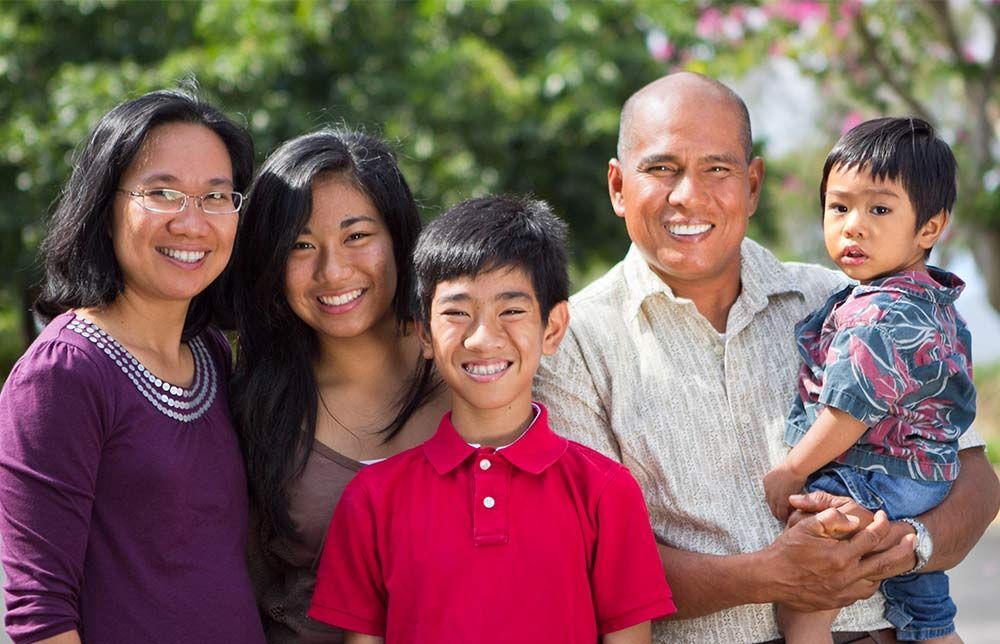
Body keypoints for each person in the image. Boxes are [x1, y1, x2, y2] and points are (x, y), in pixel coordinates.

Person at [534, 72, 1000, 643]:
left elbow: (975, 479)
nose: (688, 195)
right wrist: (771, 576)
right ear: (617, 186)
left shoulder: (846, 301)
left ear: (752, 185)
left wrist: (903, 546)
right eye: (662, 169)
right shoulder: (570, 343)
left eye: (717, 169)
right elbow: (588, 555)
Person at [308, 195, 676, 644]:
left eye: (512, 311)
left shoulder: (605, 492)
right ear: (425, 332)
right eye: (457, 313)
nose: (483, 338)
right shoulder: (372, 499)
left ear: (553, 328)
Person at [0, 89, 264, 643]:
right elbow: (40, 615)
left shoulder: (210, 352)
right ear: (105, 208)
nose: (191, 223)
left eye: (216, 197)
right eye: (163, 193)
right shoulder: (63, 375)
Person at [230, 129, 449, 643]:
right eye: (301, 245)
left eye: (356, 237)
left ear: (398, 236)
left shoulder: (471, 368)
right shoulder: (256, 404)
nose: (332, 271)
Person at [763, 117, 975, 644]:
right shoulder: (934, 301)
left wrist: (791, 470)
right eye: (839, 207)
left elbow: (849, 410)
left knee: (805, 598)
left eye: (879, 210)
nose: (853, 226)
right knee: (924, 606)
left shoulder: (877, 314)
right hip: (926, 479)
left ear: (929, 228)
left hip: (877, 472)